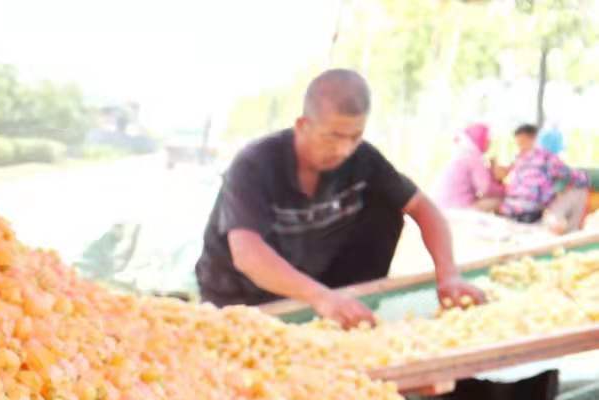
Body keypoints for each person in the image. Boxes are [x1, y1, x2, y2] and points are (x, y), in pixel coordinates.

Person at [196, 69, 485, 327]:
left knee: (387, 206)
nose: (344, 150)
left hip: (315, 283)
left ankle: (352, 305)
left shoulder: (363, 159)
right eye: (332, 136)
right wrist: (320, 297)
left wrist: (448, 275)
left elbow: (424, 209)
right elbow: (248, 255)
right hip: (241, 295)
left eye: (355, 136)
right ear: (302, 125)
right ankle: (327, 304)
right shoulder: (255, 164)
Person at [498, 122, 586, 228]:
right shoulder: (544, 157)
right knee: (581, 190)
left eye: (521, 142)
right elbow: (570, 174)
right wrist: (586, 179)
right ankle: (573, 232)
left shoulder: (520, 158)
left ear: (532, 138)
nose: (520, 146)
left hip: (509, 209)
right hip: (528, 211)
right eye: (518, 143)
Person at [435, 123, 503, 211]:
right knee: (501, 200)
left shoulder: (462, 152)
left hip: (440, 205)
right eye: (487, 139)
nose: (489, 143)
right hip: (458, 208)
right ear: (481, 139)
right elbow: (485, 189)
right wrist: (506, 189)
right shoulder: (473, 156)